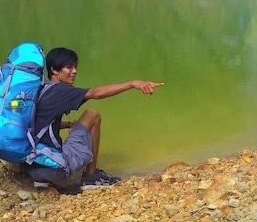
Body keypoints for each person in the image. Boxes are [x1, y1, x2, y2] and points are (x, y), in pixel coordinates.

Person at [27, 47, 163, 193]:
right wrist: (133, 84)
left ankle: (42, 183)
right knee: (92, 114)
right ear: (54, 70)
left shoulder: (40, 90)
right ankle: (90, 177)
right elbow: (96, 93)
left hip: (32, 165)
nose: (74, 71)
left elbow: (42, 123)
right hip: (52, 169)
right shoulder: (60, 91)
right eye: (69, 67)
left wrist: (68, 124)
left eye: (75, 67)